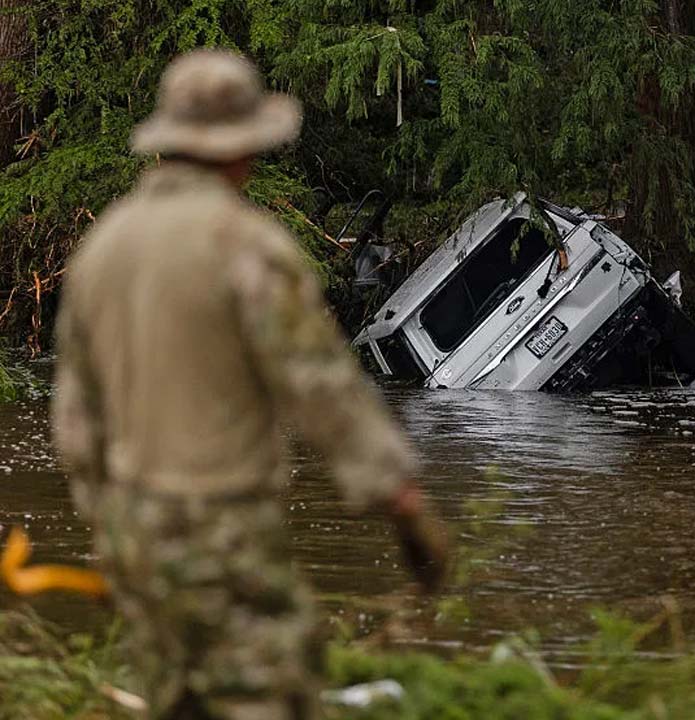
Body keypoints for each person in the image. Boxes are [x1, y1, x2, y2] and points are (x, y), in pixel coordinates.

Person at [50, 49, 449, 720]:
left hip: (130, 529)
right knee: (265, 697)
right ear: (242, 151)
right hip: (222, 529)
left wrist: (108, 522)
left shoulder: (103, 247)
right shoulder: (245, 246)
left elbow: (74, 417)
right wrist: (401, 500)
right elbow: (321, 387)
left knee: (179, 700)